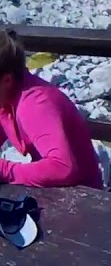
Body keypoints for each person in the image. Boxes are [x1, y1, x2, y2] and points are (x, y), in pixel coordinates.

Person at [0, 30, 103, 189]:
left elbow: (63, 168)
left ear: (7, 80)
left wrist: (6, 170)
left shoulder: (35, 104)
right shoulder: (7, 97)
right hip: (56, 191)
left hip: (82, 196)